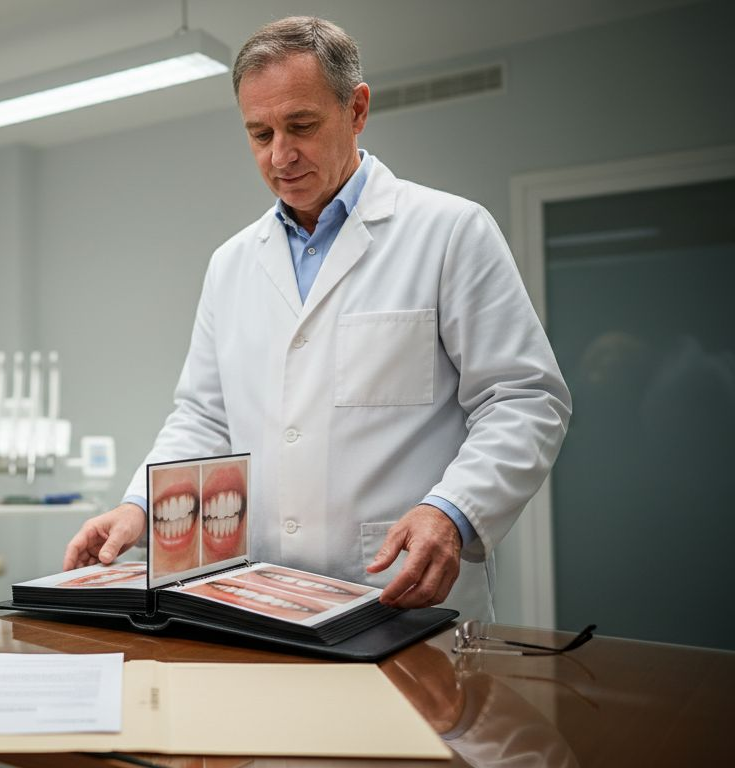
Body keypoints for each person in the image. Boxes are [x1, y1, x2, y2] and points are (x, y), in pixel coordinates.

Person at [62, 16, 571, 622]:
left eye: (301, 125)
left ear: (356, 110)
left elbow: (524, 397)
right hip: (261, 594)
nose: (281, 155)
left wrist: (452, 510)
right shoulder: (231, 264)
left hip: (397, 594)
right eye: (259, 133)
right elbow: (203, 416)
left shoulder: (449, 232)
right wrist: (140, 507)